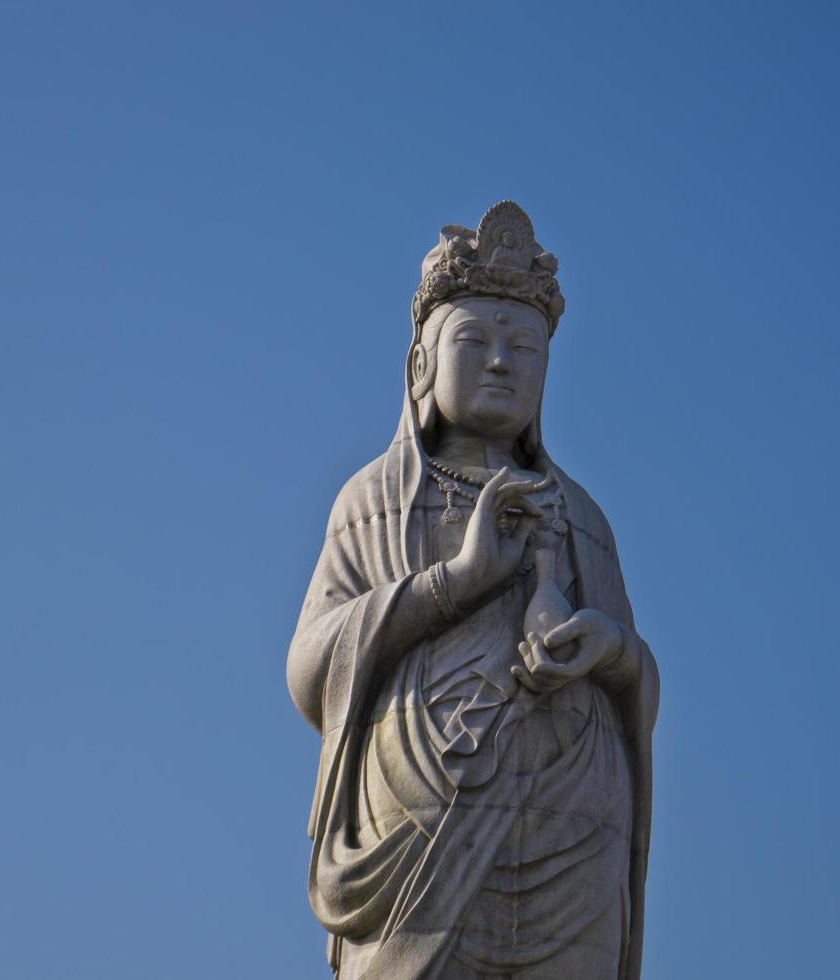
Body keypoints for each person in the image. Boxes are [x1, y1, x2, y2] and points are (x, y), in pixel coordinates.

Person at [287, 202, 659, 979]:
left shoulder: (583, 517)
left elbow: (640, 685)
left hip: (576, 821)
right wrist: (454, 583)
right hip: (418, 810)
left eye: (523, 347)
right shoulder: (376, 501)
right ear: (421, 364)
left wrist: (612, 650)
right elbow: (312, 668)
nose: (501, 362)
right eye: (475, 341)